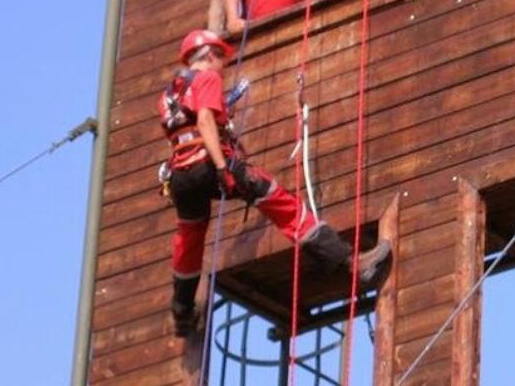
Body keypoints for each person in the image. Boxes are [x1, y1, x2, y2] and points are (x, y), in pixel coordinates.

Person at [160, 29, 392, 337]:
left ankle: (182, 311)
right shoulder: (207, 80)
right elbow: (204, 121)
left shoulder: (170, 93)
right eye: (221, 61)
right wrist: (221, 167)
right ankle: (351, 263)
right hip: (208, 163)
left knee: (189, 238)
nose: (223, 69)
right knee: (278, 201)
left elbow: (182, 130)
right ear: (211, 56)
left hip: (180, 174)